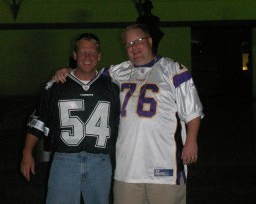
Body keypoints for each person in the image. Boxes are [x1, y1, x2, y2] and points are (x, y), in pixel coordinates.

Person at [54, 24, 204, 204]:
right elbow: (89, 75)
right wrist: (70, 71)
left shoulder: (174, 70)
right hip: (127, 170)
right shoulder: (118, 71)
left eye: (138, 41)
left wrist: (191, 142)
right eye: (129, 44)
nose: (134, 47)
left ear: (149, 41)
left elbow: (192, 111)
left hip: (165, 167)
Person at [20, 33, 120, 204]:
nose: (87, 57)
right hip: (65, 159)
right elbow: (39, 120)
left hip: (100, 161)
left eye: (92, 52)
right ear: (74, 55)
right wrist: (27, 152)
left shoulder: (112, 88)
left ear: (99, 56)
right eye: (82, 52)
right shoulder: (56, 86)